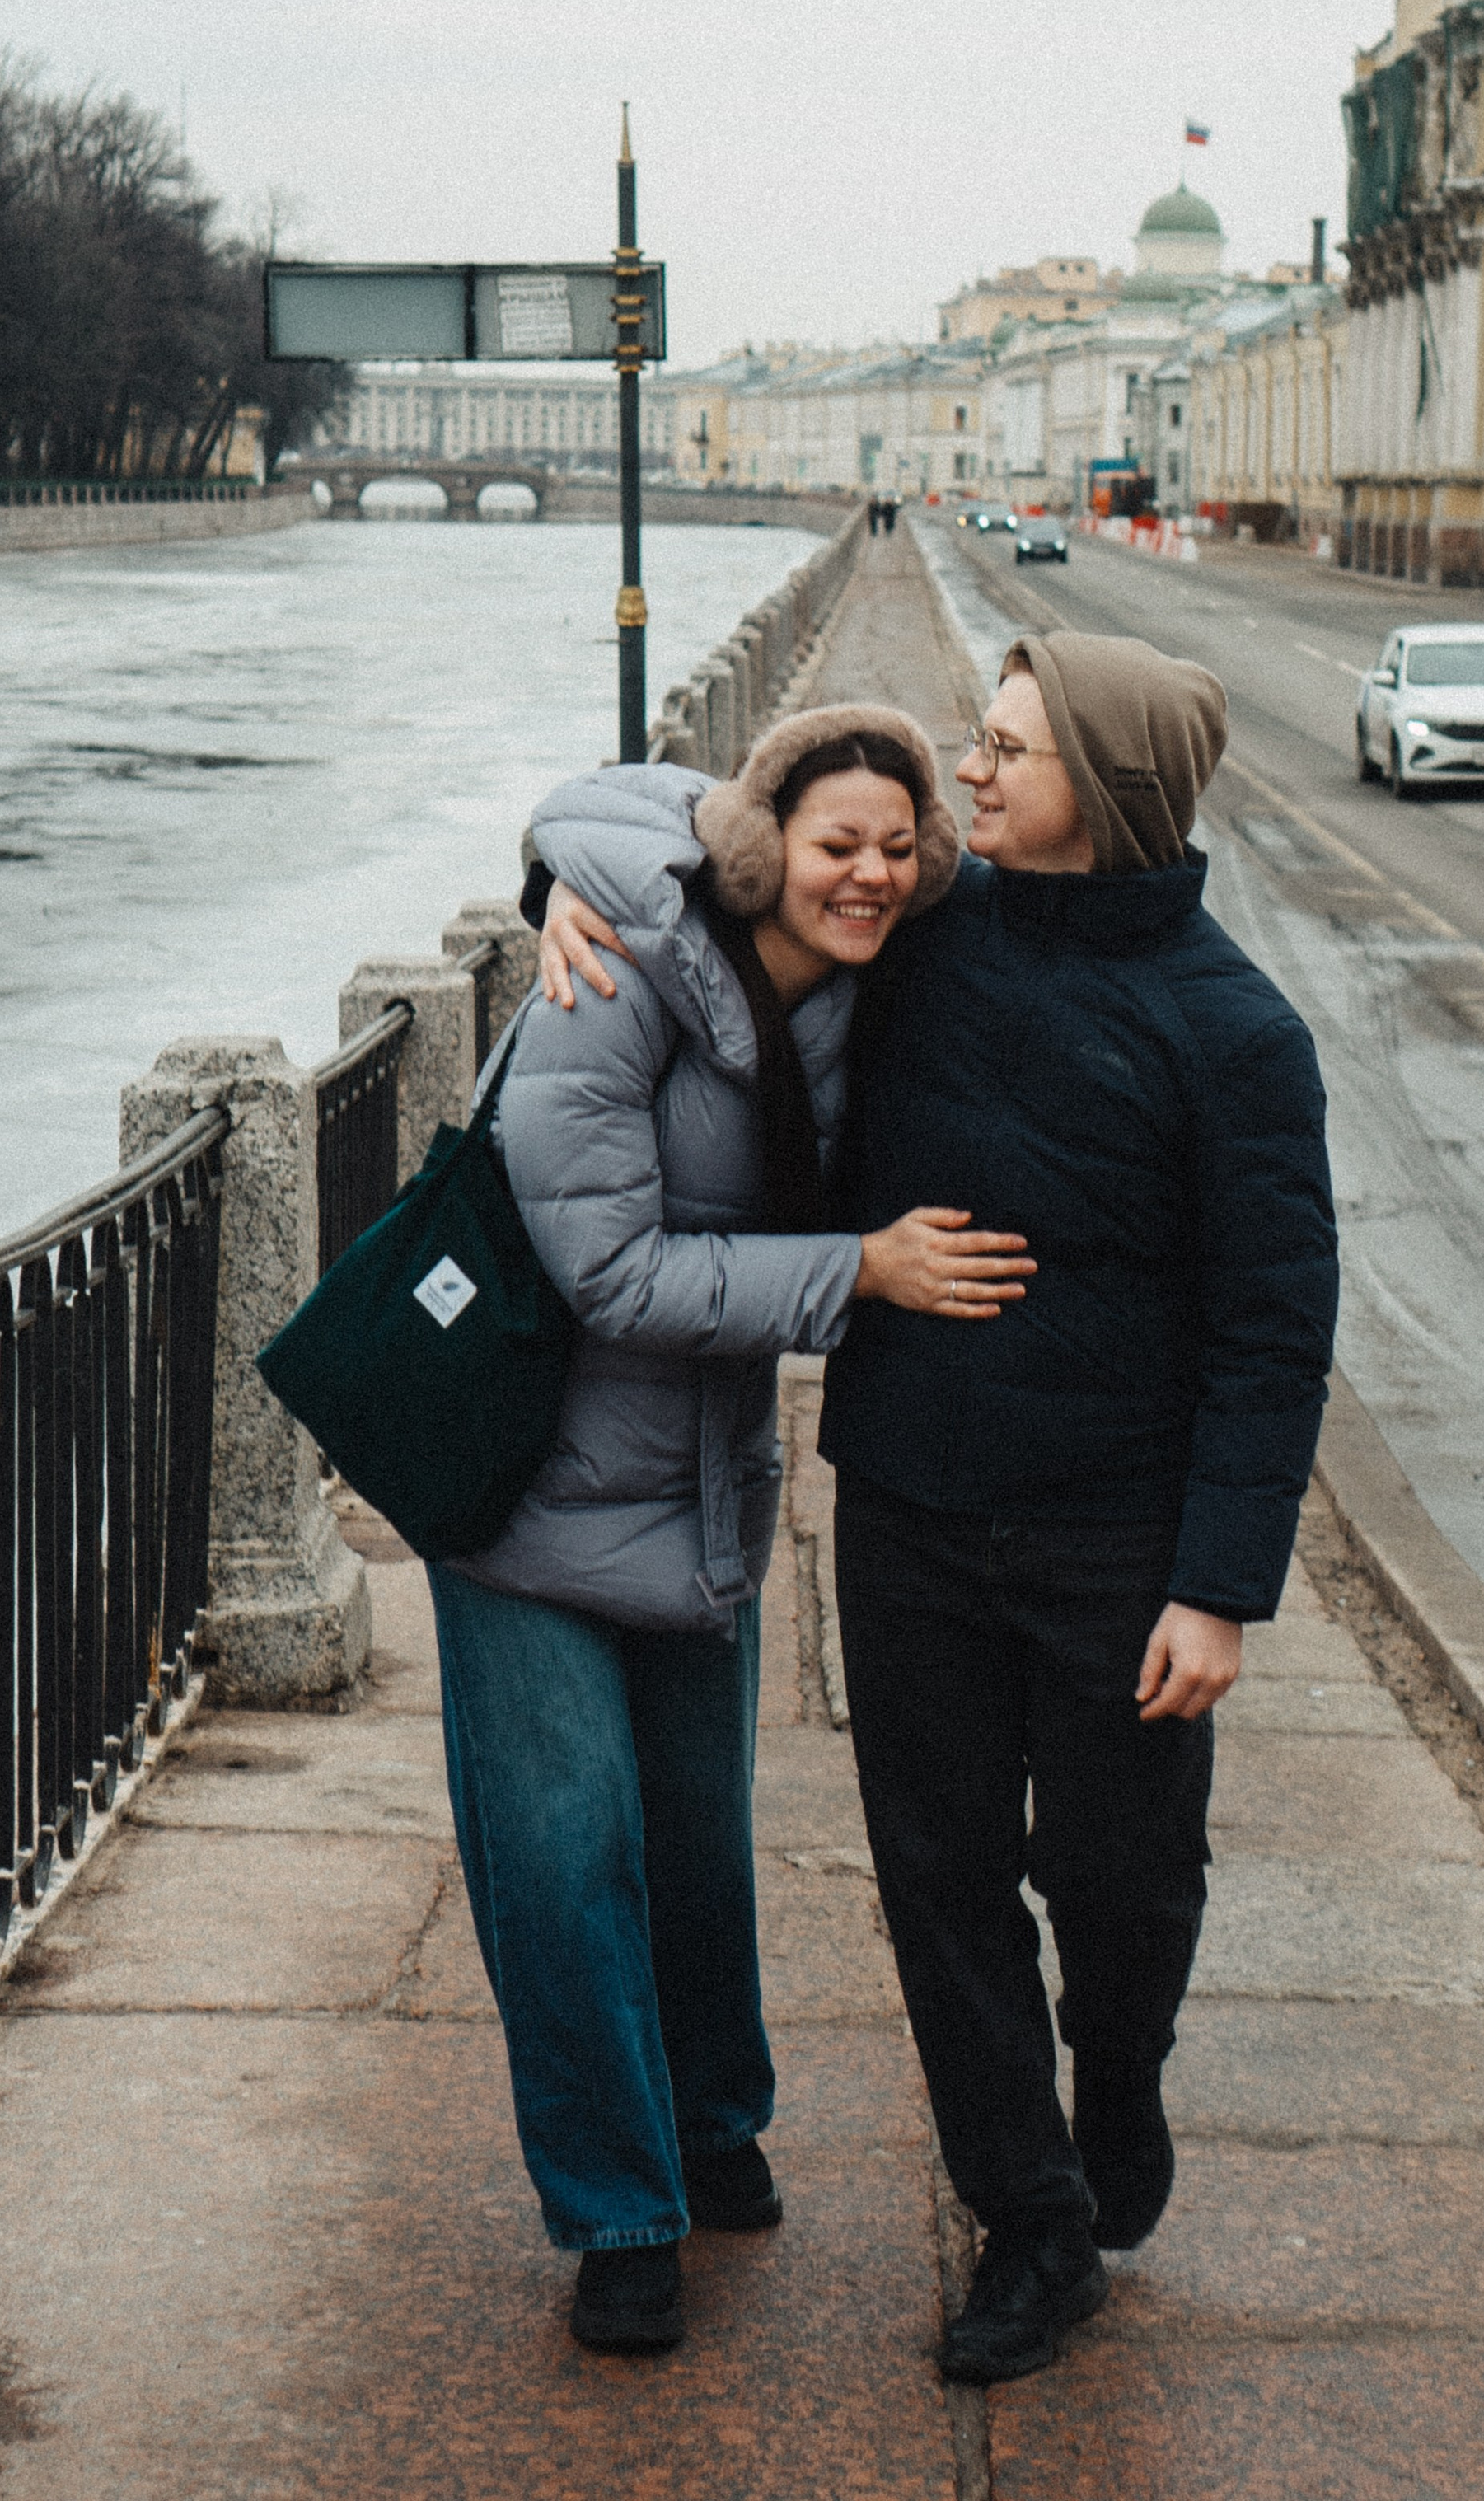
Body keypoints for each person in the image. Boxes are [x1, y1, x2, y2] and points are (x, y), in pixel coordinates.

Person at [526, 630, 1339, 2388]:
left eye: (1005, 750)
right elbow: (669, 829)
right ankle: (1028, 2217)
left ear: (1100, 793)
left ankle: (1113, 2078)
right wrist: (555, 900)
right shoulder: (921, 942)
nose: (967, 779)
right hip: (906, 1511)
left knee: (1117, 1885)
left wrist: (1219, 1587)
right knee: (940, 1878)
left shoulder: (1237, 1037)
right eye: (976, 743)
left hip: (1119, 1548)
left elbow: (1275, 1336)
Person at [442, 703, 1036, 2361]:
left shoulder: (868, 991)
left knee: (696, 1845)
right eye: (835, 843)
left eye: (895, 850)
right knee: (566, 1859)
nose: (865, 873)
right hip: (524, 1485)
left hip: (700, 1492)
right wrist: (859, 1273)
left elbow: (1062, 916)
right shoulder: (609, 977)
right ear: (769, 846)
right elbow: (611, 1278)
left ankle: (711, 2126)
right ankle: (618, 2213)